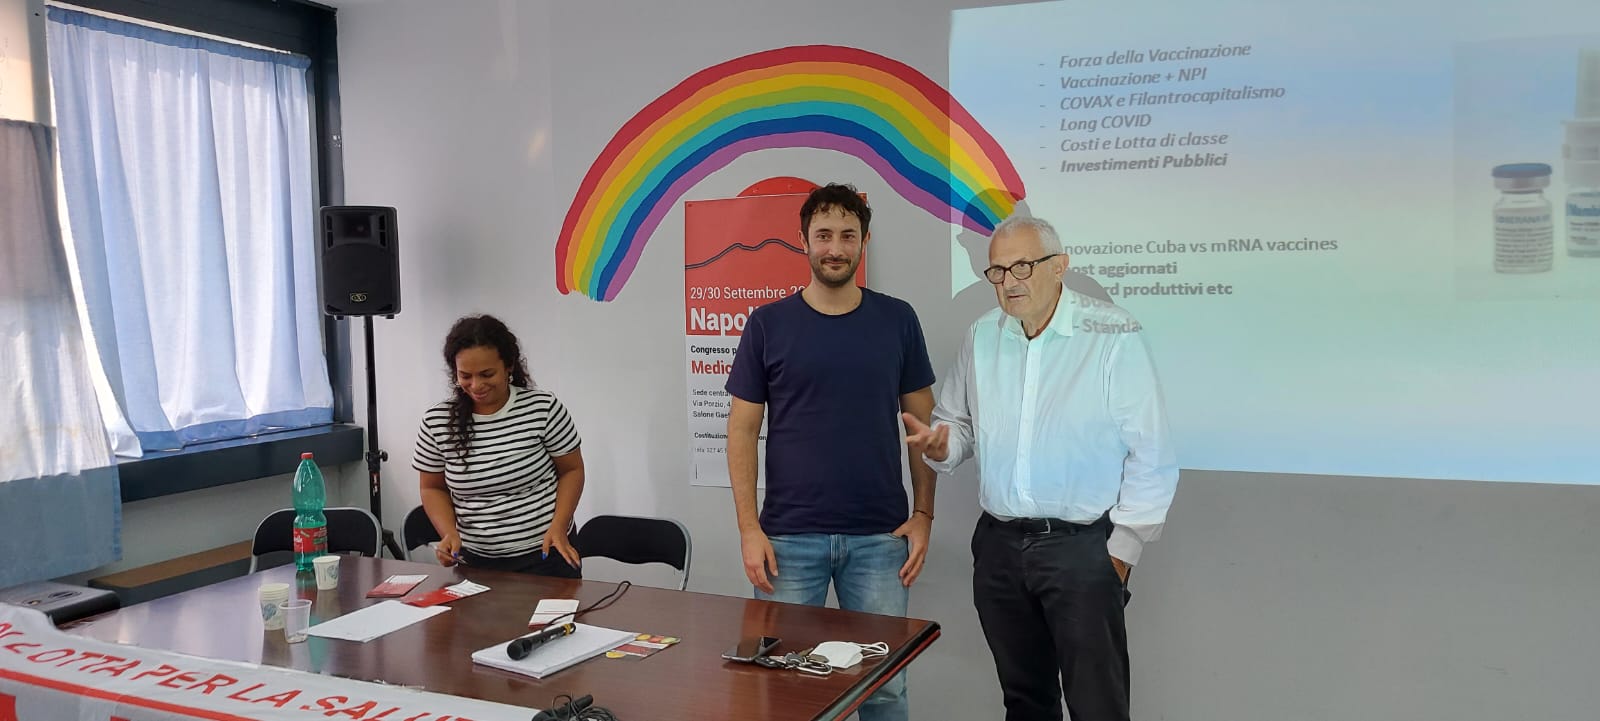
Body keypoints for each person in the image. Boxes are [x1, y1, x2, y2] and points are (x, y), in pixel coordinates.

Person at [903, 216, 1178, 721]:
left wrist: (1121, 552)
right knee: (1026, 702)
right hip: (1000, 547)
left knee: (1098, 707)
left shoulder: (1112, 334)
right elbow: (955, 424)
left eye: (1023, 266)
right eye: (997, 270)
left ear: (1059, 267)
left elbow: (1153, 452)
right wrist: (941, 448)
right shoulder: (982, 335)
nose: (1009, 281)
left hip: (1083, 549)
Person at [725, 183, 936, 721]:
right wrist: (749, 528)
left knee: (884, 690)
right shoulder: (767, 324)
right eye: (823, 235)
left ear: (866, 240)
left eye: (847, 235)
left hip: (880, 540)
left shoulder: (898, 320)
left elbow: (923, 427)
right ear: (803, 241)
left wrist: (924, 514)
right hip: (787, 542)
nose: (835, 248)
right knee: (786, 691)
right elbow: (742, 431)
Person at [414, 314, 585, 578]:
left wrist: (559, 527)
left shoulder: (542, 408)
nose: (476, 385)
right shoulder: (437, 421)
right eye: (465, 376)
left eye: (487, 374)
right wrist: (448, 533)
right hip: (475, 561)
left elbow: (572, 470)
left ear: (508, 366)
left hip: (546, 553)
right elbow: (431, 487)